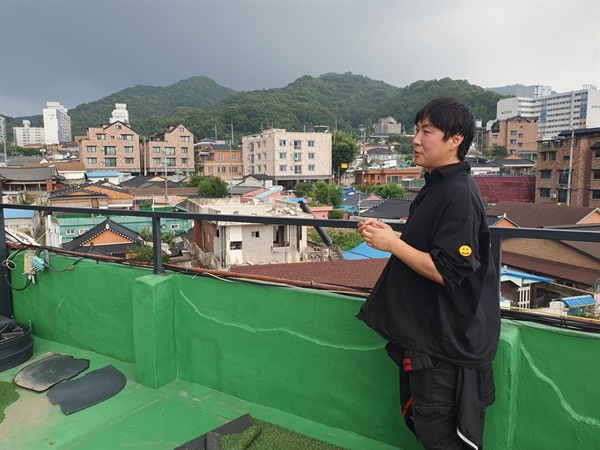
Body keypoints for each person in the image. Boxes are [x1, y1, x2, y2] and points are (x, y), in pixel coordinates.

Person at [356, 97, 500, 450]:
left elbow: (447, 270)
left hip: (444, 347)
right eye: (417, 130)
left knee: (440, 437)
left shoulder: (459, 194)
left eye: (427, 132)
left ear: (456, 140)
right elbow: (432, 248)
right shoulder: (439, 185)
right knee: (425, 426)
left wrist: (392, 243)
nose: (416, 140)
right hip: (429, 336)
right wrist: (393, 236)